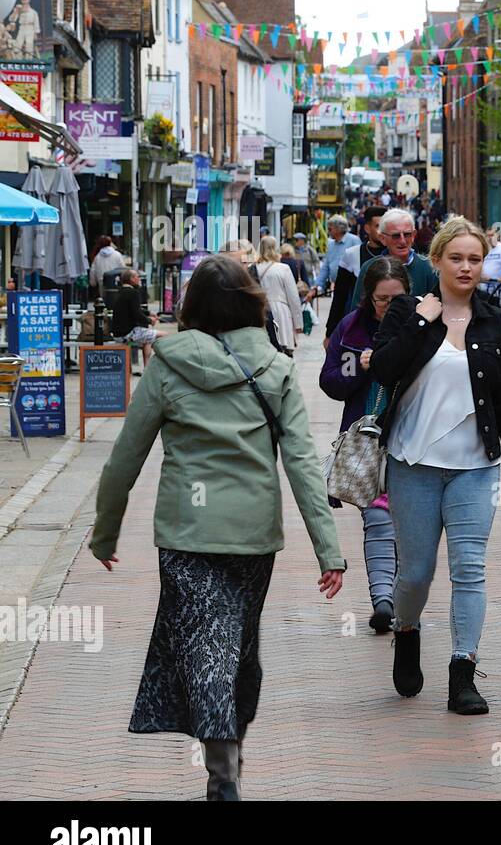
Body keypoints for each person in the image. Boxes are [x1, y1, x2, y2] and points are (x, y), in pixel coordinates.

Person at [90, 255, 344, 801]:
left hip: (187, 530)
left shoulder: (167, 363)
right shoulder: (274, 368)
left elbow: (125, 457)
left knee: (213, 648)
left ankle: (222, 771)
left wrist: (105, 532)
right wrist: (329, 550)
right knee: (233, 649)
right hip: (253, 534)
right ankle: (225, 769)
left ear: (193, 308)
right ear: (252, 303)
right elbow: (301, 462)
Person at [370, 217, 501, 715]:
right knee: (416, 573)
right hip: (412, 462)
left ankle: (463, 671)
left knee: (469, 568)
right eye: (456, 258)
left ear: (486, 264)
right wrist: (423, 318)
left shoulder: (496, 323)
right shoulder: (405, 310)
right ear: (436, 260)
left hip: (475, 467)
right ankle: (408, 629)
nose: (466, 267)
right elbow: (383, 369)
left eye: (475, 258)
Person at [320, 257, 409, 634]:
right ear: (368, 297)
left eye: (396, 298)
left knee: (409, 525)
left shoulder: (422, 325)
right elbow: (331, 381)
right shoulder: (351, 328)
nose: (388, 306)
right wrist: (363, 366)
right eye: (381, 299)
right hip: (368, 441)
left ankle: (402, 598)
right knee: (377, 518)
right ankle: (383, 601)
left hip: (414, 437)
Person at [347, 209, 436, 310]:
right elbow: (357, 313)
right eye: (396, 236)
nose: (402, 241)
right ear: (382, 239)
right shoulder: (369, 268)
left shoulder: (429, 267)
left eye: (407, 234)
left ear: (414, 236)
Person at [325, 206, 387, 338]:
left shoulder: (396, 252)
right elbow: (340, 296)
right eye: (377, 226)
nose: (382, 231)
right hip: (360, 327)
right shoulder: (353, 254)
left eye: (385, 226)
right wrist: (330, 332)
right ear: (367, 228)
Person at [256, 236, 303, 354]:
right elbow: (293, 297)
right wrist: (298, 323)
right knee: (284, 348)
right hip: (281, 312)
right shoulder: (283, 269)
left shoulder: (254, 268)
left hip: (261, 311)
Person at [110, 269, 163, 366]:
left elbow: (134, 308)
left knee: (147, 338)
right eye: (137, 277)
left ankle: (146, 368)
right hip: (128, 333)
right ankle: (159, 365)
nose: (139, 279)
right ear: (132, 279)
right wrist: (150, 320)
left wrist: (149, 313)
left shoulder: (120, 292)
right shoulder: (133, 293)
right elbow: (137, 314)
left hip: (117, 333)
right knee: (164, 335)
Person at [309, 215, 361, 300]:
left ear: (339, 229)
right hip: (337, 286)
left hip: (352, 287)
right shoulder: (331, 244)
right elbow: (326, 267)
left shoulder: (354, 240)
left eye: (330, 229)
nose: (328, 232)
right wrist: (317, 286)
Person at [481, 228, 501, 302]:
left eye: (492, 235)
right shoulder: (483, 248)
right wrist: (481, 274)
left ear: (497, 236)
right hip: (485, 284)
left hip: (500, 285)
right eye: (488, 235)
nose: (490, 237)